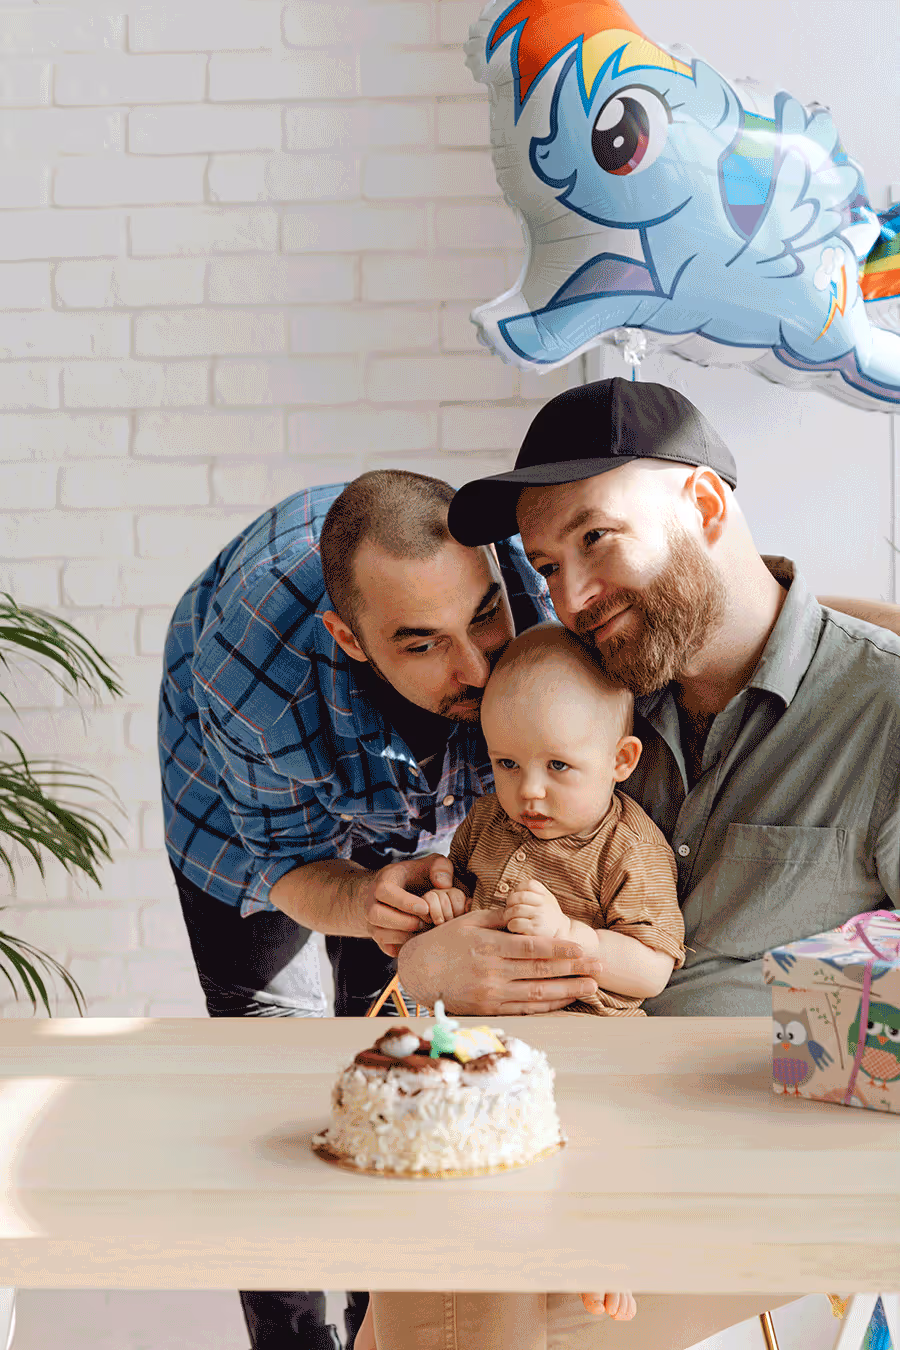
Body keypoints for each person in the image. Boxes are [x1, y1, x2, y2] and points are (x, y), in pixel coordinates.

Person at [363, 376, 900, 1350]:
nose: (570, 597)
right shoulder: (571, 711)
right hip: (543, 1149)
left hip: (759, 1198)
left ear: (701, 505)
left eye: (596, 540)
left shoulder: (882, 713)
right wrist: (422, 969)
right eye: (547, 565)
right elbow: (447, 944)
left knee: (464, 1318)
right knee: (407, 1280)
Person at [158, 468, 590, 1350]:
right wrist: (363, 897)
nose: (476, 667)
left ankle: (376, 1329)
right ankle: (292, 1337)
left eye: (480, 618)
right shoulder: (252, 674)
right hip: (246, 815)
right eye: (422, 643)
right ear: (349, 639)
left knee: (399, 1068)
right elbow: (284, 864)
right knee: (268, 1075)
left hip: (421, 811)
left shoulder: (531, 579)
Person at [424, 621, 686, 1016]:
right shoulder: (486, 820)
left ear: (620, 760)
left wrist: (570, 935)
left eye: (558, 764)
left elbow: (652, 971)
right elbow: (462, 890)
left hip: (586, 1039)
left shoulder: (629, 849)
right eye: (508, 763)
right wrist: (449, 901)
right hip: (483, 1028)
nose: (529, 790)